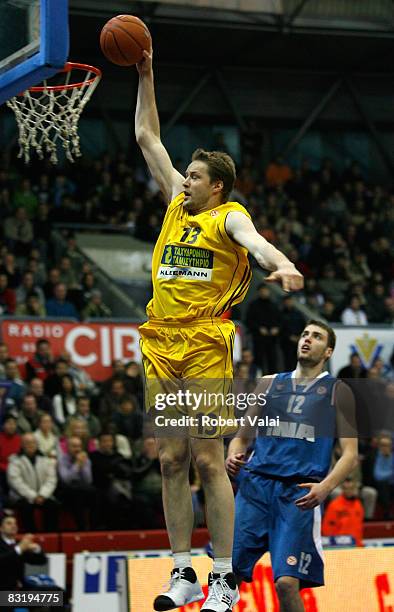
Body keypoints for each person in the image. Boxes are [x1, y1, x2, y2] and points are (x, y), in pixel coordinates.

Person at [135, 48, 304, 612]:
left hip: (206, 343)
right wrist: (147, 73)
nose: (184, 180)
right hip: (160, 341)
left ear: (217, 188)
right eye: (185, 175)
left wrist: (279, 263)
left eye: (195, 177)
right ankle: (183, 571)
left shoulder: (226, 217)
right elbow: (145, 137)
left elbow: (255, 244)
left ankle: (226, 580)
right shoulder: (176, 208)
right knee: (169, 459)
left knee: (209, 459)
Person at [226, 321, 357, 612]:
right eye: (304, 334)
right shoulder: (269, 383)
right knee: (226, 573)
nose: (307, 340)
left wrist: (325, 488)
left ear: (328, 351)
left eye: (317, 337)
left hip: (297, 494)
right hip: (255, 488)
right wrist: (233, 456)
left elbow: (349, 454)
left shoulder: (338, 391)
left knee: (286, 583)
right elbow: (241, 439)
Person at [322, 478, 364, 546]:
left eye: (352, 488)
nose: (350, 491)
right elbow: (327, 528)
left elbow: (360, 527)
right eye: (347, 488)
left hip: (357, 545)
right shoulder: (334, 506)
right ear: (343, 489)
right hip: (341, 546)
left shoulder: (358, 505)